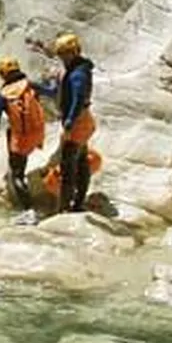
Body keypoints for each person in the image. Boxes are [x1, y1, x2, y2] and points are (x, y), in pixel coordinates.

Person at [0, 56, 55, 225]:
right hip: (37, 133)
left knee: (16, 174)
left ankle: (28, 210)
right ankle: (28, 202)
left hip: (21, 137)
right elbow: (52, 91)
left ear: (3, 74)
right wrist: (56, 79)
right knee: (20, 160)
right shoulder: (29, 85)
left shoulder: (4, 93)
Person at [53, 33, 96, 213]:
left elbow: (78, 98)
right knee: (81, 162)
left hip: (78, 121)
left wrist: (70, 120)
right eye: (61, 54)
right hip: (84, 119)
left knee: (68, 166)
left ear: (75, 52)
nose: (63, 58)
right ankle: (78, 203)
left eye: (65, 53)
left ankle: (66, 207)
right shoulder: (78, 70)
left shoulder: (78, 74)